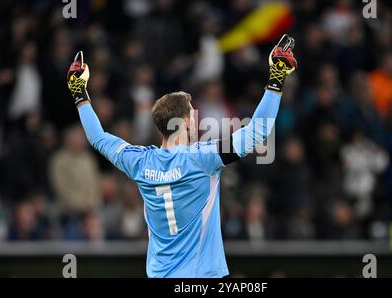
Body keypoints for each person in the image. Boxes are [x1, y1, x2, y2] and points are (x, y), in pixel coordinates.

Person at [66, 35, 297, 277]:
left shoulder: (140, 161)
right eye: (194, 117)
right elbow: (257, 131)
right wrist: (277, 77)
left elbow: (98, 137)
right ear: (185, 122)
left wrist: (79, 93)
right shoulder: (203, 158)